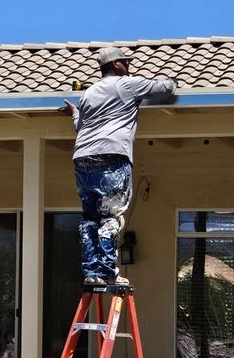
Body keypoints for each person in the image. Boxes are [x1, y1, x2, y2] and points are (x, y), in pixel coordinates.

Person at [62, 47, 177, 286]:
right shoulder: (126, 84)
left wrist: (74, 112)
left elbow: (79, 127)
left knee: (90, 218)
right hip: (112, 156)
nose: (129, 65)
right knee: (111, 216)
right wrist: (171, 78)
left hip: (83, 158)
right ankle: (107, 272)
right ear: (115, 65)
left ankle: (92, 272)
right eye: (126, 62)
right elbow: (165, 89)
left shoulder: (89, 93)